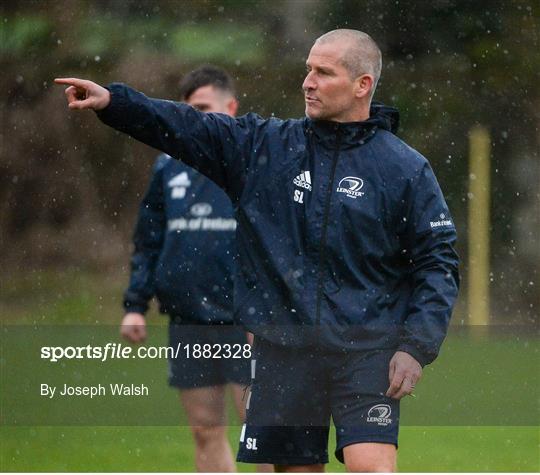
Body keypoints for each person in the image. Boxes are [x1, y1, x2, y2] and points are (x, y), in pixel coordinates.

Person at [56, 28, 459, 472]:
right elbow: (187, 126)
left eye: (324, 73)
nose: (308, 81)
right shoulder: (265, 148)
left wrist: (416, 346)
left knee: (373, 468)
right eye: (308, 69)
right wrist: (116, 103)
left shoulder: (404, 168)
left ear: (363, 84)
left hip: (365, 350)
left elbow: (437, 264)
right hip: (283, 350)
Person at [118, 65, 263, 473]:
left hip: (247, 320)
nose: (193, 121)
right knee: (205, 430)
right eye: (188, 112)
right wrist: (135, 303)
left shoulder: (254, 162)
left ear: (231, 108)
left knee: (261, 432)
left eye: (202, 109)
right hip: (189, 319)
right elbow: (149, 238)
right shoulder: (168, 166)